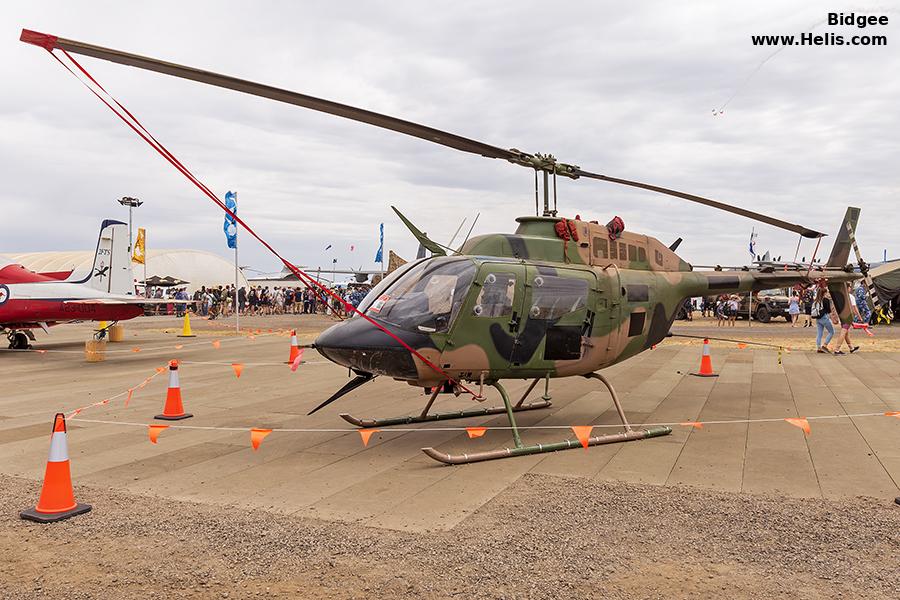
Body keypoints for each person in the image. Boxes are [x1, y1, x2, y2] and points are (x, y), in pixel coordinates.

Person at [833, 283, 862, 355]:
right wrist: (859, 317)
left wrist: (834, 316)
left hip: (842, 315)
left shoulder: (840, 295)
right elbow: (854, 308)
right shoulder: (851, 297)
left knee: (846, 332)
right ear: (847, 288)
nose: (850, 289)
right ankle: (837, 349)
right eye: (850, 287)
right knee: (844, 332)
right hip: (848, 316)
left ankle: (851, 348)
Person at [811, 282, 834, 353]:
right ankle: (825, 345)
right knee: (831, 332)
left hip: (818, 318)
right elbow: (829, 311)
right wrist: (833, 319)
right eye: (826, 292)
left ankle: (818, 347)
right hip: (824, 317)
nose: (827, 294)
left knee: (819, 333)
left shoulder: (816, 300)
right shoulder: (826, 300)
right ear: (824, 293)